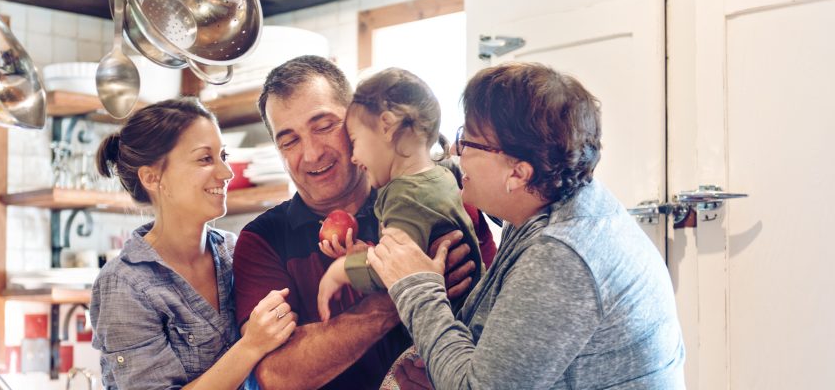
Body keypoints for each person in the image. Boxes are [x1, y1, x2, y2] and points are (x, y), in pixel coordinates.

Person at [365, 62, 686, 388]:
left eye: (469, 141)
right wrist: (443, 371)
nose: (454, 150)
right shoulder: (550, 204)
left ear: (518, 174)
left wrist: (418, 287)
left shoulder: (562, 257)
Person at [232, 56, 500, 389]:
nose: (312, 153)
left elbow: (500, 319)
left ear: (357, 119)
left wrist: (447, 377)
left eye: (324, 125)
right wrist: (400, 293)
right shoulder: (261, 241)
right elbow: (276, 374)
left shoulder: (440, 199)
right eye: (289, 141)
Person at [90, 99, 297, 390]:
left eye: (223, 156)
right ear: (152, 177)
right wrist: (251, 346)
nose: (226, 173)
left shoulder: (234, 253)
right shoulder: (124, 285)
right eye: (205, 159)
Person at [316, 67, 483, 322]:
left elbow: (396, 269)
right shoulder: (440, 177)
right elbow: (418, 244)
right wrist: (371, 252)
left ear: (386, 126)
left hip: (458, 328)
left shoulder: (405, 196)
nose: (353, 156)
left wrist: (339, 272)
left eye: (355, 140)